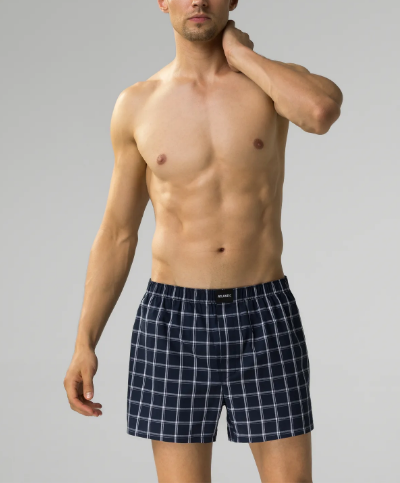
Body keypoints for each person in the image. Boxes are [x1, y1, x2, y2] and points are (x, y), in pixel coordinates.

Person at [64, 0, 343, 481]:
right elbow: (118, 232)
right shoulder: (138, 104)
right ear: (163, 1)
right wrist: (84, 342)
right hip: (172, 318)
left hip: (263, 310)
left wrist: (243, 56)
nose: (197, 1)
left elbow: (320, 112)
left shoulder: (270, 85)